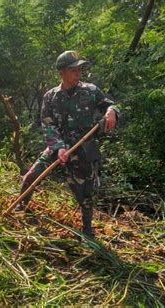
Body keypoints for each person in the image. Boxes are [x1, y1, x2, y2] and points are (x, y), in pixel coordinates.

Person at [15, 50, 119, 238]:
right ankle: (20, 208)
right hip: (58, 147)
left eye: (80, 69)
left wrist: (111, 111)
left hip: (83, 149)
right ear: (61, 72)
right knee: (31, 176)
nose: (78, 73)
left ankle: (87, 229)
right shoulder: (50, 96)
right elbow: (48, 124)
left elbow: (108, 104)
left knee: (84, 194)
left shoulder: (91, 91)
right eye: (73, 70)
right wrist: (59, 147)